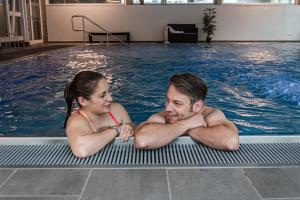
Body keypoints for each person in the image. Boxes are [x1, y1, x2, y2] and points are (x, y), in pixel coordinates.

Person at [134, 73, 239, 151]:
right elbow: (142, 140)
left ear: (197, 106)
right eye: (167, 100)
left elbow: (231, 142)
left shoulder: (210, 115)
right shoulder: (164, 116)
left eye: (177, 103)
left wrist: (178, 128)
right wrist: (187, 124)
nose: (167, 108)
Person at [64, 71, 134, 158]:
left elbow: (132, 133)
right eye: (102, 95)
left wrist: (129, 129)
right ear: (83, 101)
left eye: (108, 92)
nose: (110, 98)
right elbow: (81, 150)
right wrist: (116, 129)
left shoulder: (117, 109)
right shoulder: (77, 121)